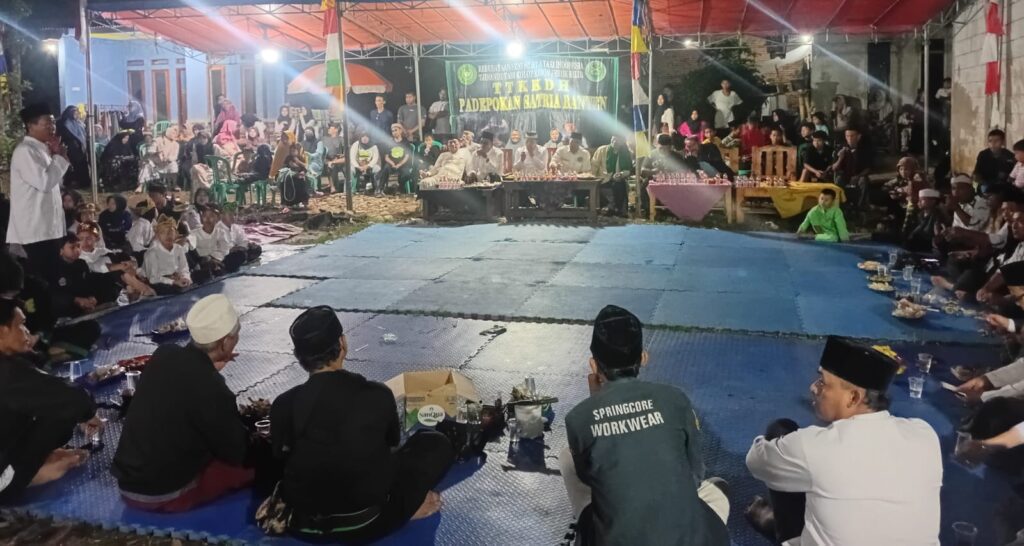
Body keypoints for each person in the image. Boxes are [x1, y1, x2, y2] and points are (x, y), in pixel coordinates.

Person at [262, 306, 454, 541]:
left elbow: (281, 458)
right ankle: (407, 510)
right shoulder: (377, 394)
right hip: (366, 523)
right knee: (435, 443)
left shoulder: (283, 404)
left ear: (297, 356)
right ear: (342, 344)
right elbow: (392, 444)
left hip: (301, 525)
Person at [745, 336, 942, 545]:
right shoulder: (924, 434)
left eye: (822, 382)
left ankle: (782, 529)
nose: (813, 387)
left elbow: (755, 461)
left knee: (781, 430)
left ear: (853, 397)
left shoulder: (813, 446)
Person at [561, 305, 730, 546]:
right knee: (718, 489)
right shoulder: (675, 398)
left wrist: (597, 404)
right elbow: (695, 473)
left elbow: (590, 479)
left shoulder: (578, 417)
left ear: (593, 365)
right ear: (643, 357)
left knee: (567, 458)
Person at [113, 295, 253, 512]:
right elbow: (237, 452)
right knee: (256, 465)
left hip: (126, 483)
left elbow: (182, 389)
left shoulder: (164, 353)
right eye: (236, 336)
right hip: (164, 494)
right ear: (225, 342)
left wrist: (209, 371)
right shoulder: (211, 386)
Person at [0, 299, 101, 503]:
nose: (26, 331)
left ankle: (28, 465)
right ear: (2, 331)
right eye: (21, 325)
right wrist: (90, 413)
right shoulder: (8, 374)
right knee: (63, 407)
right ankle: (27, 477)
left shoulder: (12, 367)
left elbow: (49, 388)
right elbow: (73, 398)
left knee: (52, 406)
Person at [6, 103, 70, 279]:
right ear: (30, 125)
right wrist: (59, 157)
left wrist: (57, 156)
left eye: (53, 123)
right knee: (42, 279)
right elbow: (44, 183)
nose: (52, 127)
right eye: (47, 123)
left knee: (54, 277)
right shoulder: (25, 151)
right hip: (35, 231)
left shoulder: (43, 150)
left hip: (48, 227)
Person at [140, 216, 191, 295]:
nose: (168, 235)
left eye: (171, 232)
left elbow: (184, 268)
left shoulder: (179, 249)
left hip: (176, 279)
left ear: (176, 234)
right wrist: (173, 282)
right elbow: (153, 279)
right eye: (163, 232)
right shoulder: (152, 253)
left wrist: (185, 277)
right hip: (158, 283)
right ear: (157, 235)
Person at [832, 127, 872, 209]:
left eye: (852, 136)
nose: (849, 138)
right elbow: (834, 168)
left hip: (858, 176)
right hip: (844, 176)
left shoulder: (864, 150)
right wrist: (840, 158)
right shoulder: (840, 149)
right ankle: (841, 206)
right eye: (847, 136)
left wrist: (858, 176)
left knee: (863, 180)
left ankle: (860, 207)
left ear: (858, 136)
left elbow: (868, 168)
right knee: (838, 180)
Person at [56, 106, 90, 189]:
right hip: (70, 147)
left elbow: (83, 134)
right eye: (74, 112)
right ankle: (72, 182)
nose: (76, 114)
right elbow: (60, 134)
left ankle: (84, 182)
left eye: (77, 112)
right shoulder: (62, 122)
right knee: (72, 165)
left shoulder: (78, 123)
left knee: (82, 164)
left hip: (80, 148)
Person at [377, 124, 415, 195]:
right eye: (393, 131)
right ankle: (380, 189)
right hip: (392, 164)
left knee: (406, 174)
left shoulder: (405, 142)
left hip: (403, 164)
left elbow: (406, 156)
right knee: (385, 169)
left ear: (400, 131)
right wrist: (392, 164)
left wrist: (399, 164)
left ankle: (399, 188)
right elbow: (386, 157)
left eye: (396, 130)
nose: (394, 132)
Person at [320, 123, 346, 192]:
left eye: (330, 128)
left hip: (339, 159)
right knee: (330, 165)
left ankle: (348, 186)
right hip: (328, 159)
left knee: (345, 166)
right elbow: (321, 151)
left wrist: (340, 156)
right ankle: (333, 187)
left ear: (336, 130)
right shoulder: (324, 139)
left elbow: (344, 152)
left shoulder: (341, 139)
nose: (328, 129)